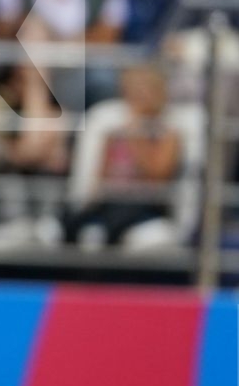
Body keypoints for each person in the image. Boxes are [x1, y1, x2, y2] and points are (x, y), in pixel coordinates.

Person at [62, 63, 181, 248]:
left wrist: (136, 135)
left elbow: (158, 176)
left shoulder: (168, 133)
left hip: (145, 205)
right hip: (111, 200)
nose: (138, 96)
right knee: (71, 222)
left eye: (144, 89)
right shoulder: (113, 130)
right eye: (133, 89)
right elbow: (100, 175)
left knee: (113, 226)